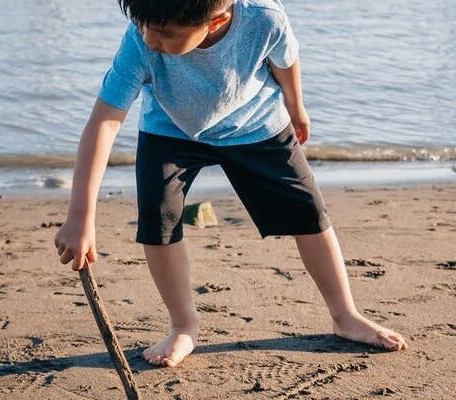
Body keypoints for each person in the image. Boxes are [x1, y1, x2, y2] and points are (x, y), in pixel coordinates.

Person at [53, 0, 408, 368]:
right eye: (145, 27)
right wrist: (80, 217)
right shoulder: (143, 36)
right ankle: (183, 326)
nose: (150, 39)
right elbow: (105, 122)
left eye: (165, 34)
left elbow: (284, 59)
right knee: (158, 220)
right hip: (171, 129)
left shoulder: (264, 18)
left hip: (255, 122)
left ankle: (345, 315)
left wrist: (296, 106)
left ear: (217, 20)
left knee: (308, 213)